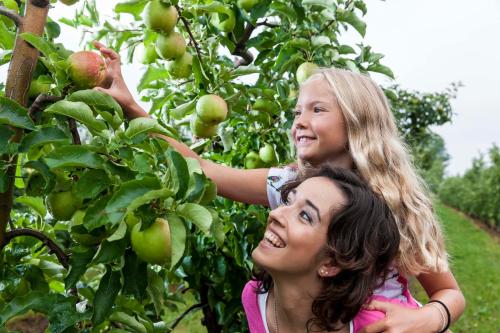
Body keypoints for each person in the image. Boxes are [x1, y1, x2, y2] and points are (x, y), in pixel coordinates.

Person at [93, 41, 465, 332]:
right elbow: (204, 171)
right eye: (297, 112)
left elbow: (449, 294)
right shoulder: (291, 184)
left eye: (317, 110)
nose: (300, 121)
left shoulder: (393, 201)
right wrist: (133, 109)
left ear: (357, 121)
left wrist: (427, 320)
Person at [243, 166, 412, 333]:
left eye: (305, 216)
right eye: (288, 201)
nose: (276, 214)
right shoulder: (254, 296)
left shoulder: (380, 326)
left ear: (331, 263)